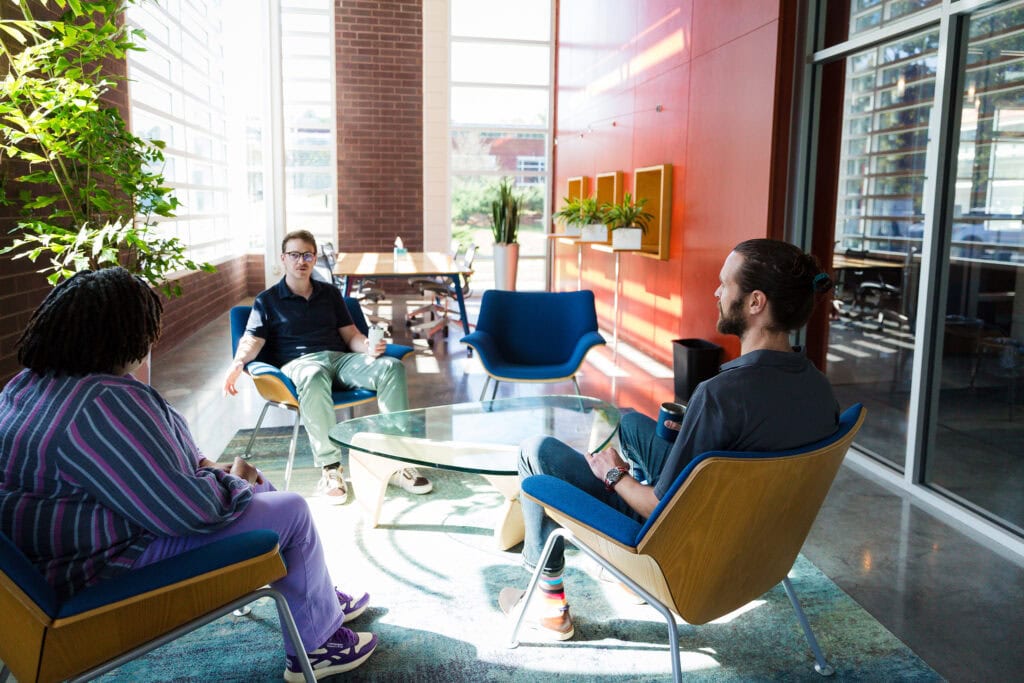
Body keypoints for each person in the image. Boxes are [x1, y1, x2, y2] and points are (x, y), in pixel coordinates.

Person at [0, 268, 376, 680]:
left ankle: (315, 598)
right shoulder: (103, 402)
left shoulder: (25, 386)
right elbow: (191, 510)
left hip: (57, 559)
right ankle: (317, 646)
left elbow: (145, 473)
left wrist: (214, 472)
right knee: (290, 510)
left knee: (251, 483)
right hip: (99, 572)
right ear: (125, 334)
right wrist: (228, 479)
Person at [500, 238, 840, 640]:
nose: (717, 292)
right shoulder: (819, 388)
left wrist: (615, 477)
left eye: (725, 284)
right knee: (629, 424)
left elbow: (660, 508)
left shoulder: (720, 396)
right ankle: (625, 581)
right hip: (753, 548)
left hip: (682, 552)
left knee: (536, 453)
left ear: (755, 303)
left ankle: (549, 603)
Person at [223, 229, 432, 504]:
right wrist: (239, 363)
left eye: (307, 255)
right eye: (295, 255)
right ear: (284, 258)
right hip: (299, 364)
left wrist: (368, 346)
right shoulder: (267, 300)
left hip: (339, 359)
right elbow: (253, 339)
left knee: (391, 367)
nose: (301, 261)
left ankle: (394, 461)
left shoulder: (330, 294)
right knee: (313, 373)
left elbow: (351, 336)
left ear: (314, 258)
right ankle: (331, 468)